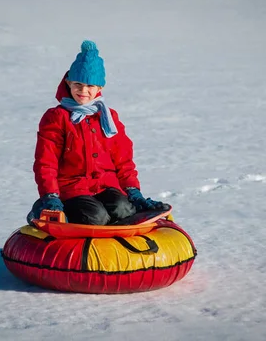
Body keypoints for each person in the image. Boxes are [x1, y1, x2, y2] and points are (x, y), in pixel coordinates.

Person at [27, 40, 169, 225]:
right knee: (95, 217)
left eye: (90, 86)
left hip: (105, 185)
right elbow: (46, 162)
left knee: (123, 209)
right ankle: (41, 210)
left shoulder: (108, 117)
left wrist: (133, 191)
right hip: (71, 188)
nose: (83, 90)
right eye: (78, 84)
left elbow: (123, 159)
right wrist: (51, 195)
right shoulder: (57, 117)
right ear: (68, 82)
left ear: (99, 88)